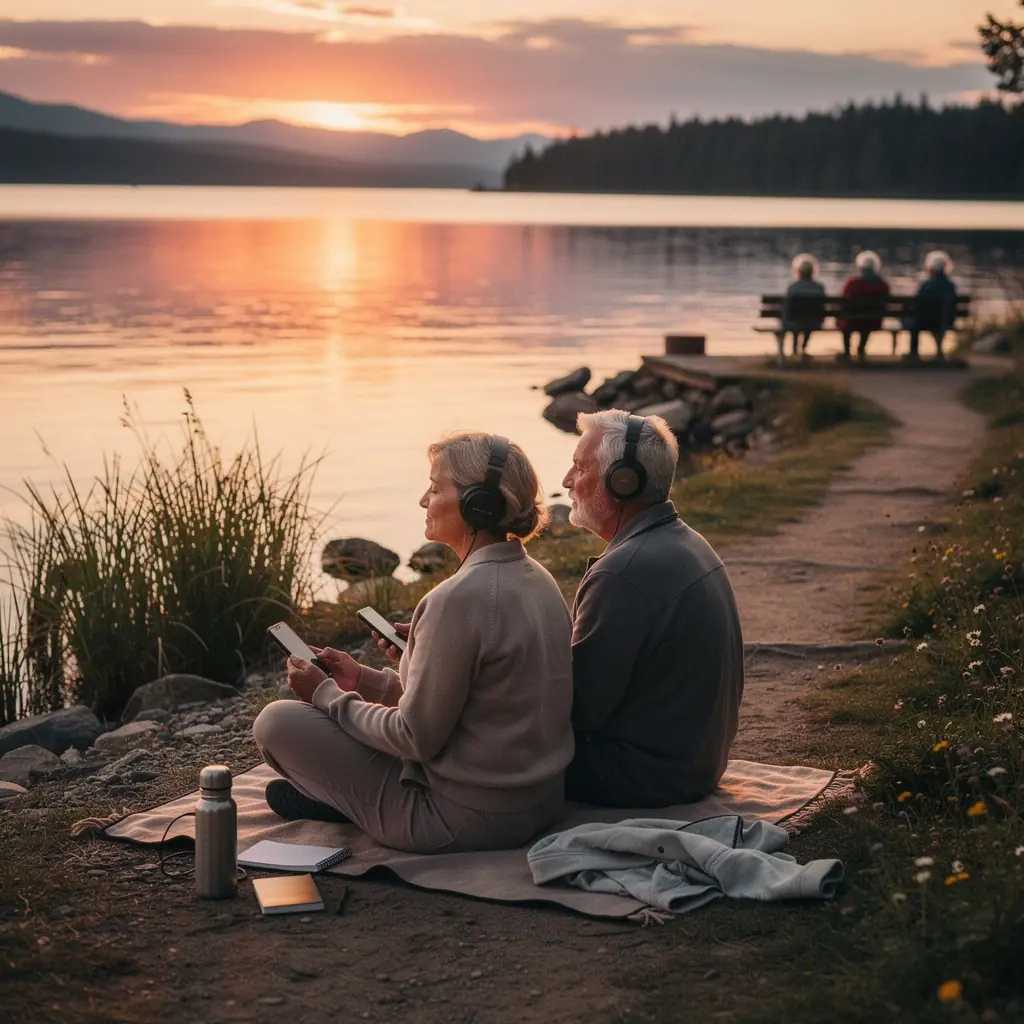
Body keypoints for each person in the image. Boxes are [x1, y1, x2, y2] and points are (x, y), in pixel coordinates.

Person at [253, 432, 574, 853]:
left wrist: (326, 694)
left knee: (277, 721)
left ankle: (347, 801)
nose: (424, 500)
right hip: (539, 803)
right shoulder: (538, 579)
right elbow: (485, 701)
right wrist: (365, 680)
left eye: (436, 489)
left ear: (478, 505)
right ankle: (348, 796)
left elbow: (413, 736)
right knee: (333, 724)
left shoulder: (456, 599)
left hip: (463, 818)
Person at [561, 410, 744, 807]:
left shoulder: (622, 573)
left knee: (486, 746)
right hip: (694, 765)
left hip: (643, 777)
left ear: (623, 481)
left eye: (580, 467)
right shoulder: (686, 540)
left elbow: (576, 709)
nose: (567, 480)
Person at [905, 251, 958, 360]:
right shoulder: (951, 286)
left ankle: (913, 353)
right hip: (945, 321)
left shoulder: (926, 286)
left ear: (931, 268)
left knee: (913, 323)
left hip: (926, 321)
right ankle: (939, 352)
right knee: (935, 322)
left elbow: (917, 303)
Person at [837, 251, 890, 361]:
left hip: (852, 321)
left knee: (845, 320)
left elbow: (843, 301)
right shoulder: (882, 285)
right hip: (873, 321)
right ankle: (861, 349)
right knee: (867, 319)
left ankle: (847, 352)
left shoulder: (853, 284)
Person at [781, 253, 826, 359]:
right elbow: (821, 307)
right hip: (814, 322)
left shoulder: (793, 287)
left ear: (798, 271)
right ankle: (803, 347)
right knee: (808, 318)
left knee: (796, 319)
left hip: (795, 322)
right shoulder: (819, 287)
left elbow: (788, 307)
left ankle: (795, 349)